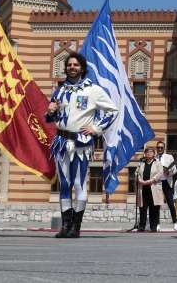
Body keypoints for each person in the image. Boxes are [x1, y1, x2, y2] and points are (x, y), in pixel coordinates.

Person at [45, 52, 116, 239]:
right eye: (69, 65)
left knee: (79, 183)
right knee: (65, 184)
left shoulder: (93, 90)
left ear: (82, 68)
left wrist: (96, 128)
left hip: (81, 144)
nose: (72, 68)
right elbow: (51, 118)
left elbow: (112, 110)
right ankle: (65, 226)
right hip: (61, 142)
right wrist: (51, 111)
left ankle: (76, 226)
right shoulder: (60, 90)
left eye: (76, 65)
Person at [136, 146, 163, 232]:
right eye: (147, 152)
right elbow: (137, 173)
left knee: (153, 208)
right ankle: (142, 226)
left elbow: (160, 174)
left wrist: (151, 181)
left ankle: (153, 226)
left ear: (154, 154)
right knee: (142, 208)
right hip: (143, 188)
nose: (148, 153)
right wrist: (140, 180)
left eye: (151, 152)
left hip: (153, 188)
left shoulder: (157, 163)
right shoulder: (141, 163)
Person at [155, 140, 177, 231]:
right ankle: (157, 224)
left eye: (161, 147)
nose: (160, 149)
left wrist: (169, 172)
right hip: (157, 183)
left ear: (164, 148)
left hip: (167, 182)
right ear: (156, 148)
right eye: (158, 147)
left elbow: (175, 170)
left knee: (170, 203)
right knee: (157, 204)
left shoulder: (169, 157)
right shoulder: (154, 158)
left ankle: (175, 223)